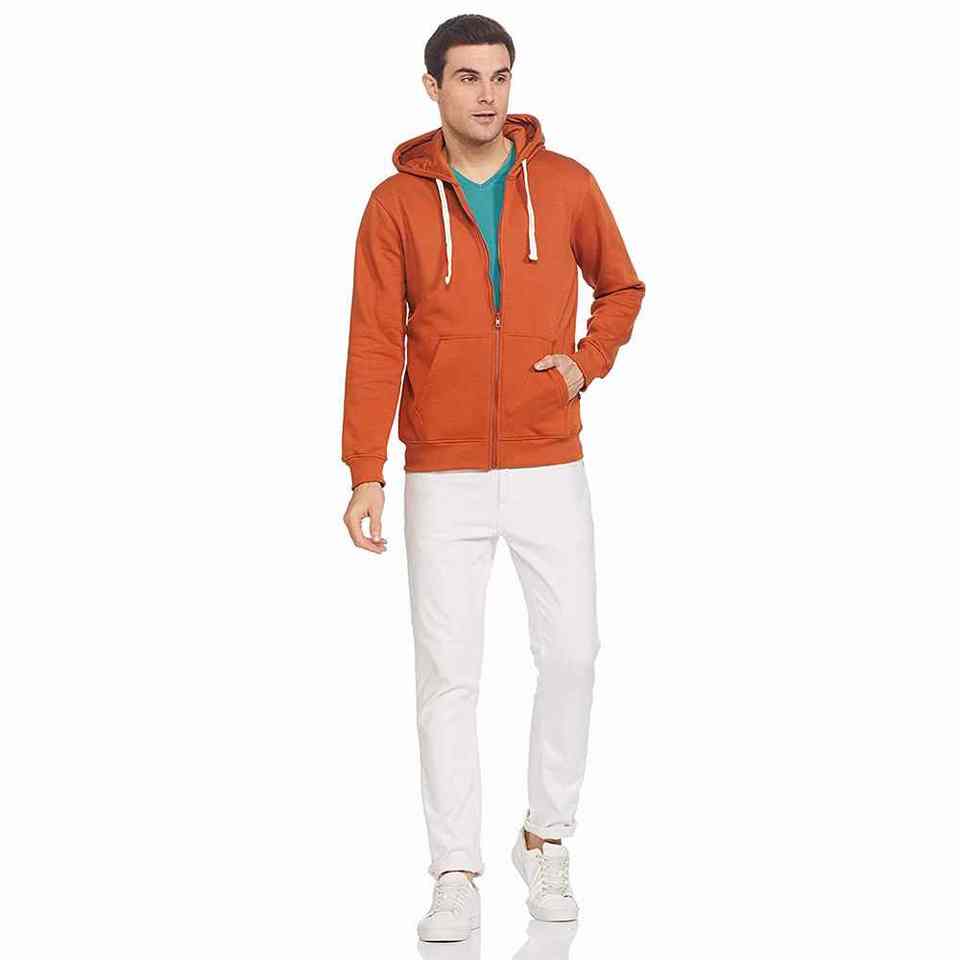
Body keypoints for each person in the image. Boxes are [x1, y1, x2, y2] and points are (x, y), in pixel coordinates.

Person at [340, 14, 645, 943]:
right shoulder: (395, 204)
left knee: (574, 653)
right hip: (442, 470)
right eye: (467, 77)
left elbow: (622, 287)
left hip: (549, 457)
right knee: (448, 675)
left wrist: (585, 364)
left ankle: (544, 837)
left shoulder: (566, 184)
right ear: (432, 86)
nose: (487, 93)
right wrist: (365, 470)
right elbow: (374, 340)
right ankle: (454, 871)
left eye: (500, 76)